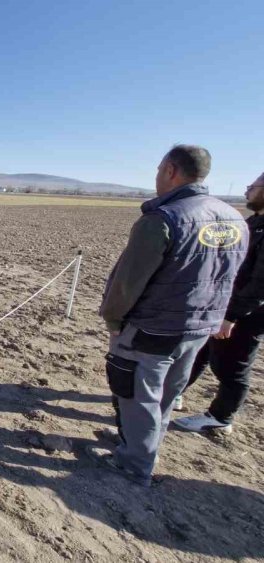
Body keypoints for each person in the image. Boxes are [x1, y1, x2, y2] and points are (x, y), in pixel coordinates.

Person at [93, 145, 248, 487]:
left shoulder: (162, 219)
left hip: (152, 327)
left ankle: (134, 463)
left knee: (137, 393)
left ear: (171, 171)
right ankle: (141, 445)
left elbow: (127, 282)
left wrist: (114, 320)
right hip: (199, 327)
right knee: (166, 393)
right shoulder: (235, 218)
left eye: (159, 169)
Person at [174, 171, 264, 434]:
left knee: (232, 365)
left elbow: (260, 284)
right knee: (200, 351)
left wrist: (232, 316)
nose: (247, 191)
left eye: (253, 186)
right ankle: (174, 393)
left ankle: (220, 418)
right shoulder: (254, 222)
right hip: (224, 304)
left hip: (247, 313)